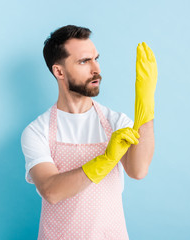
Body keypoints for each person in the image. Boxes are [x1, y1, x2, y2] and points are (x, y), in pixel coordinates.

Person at [21, 25, 157, 239]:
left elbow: (138, 170)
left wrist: (146, 106)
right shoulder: (38, 131)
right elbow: (51, 191)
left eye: (96, 58)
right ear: (59, 71)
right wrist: (105, 159)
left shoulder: (115, 122)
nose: (96, 69)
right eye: (84, 61)